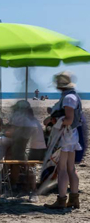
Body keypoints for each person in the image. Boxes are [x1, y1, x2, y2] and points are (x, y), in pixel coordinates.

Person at [43, 71, 84, 209]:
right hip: (71, 136)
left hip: (65, 136)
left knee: (62, 169)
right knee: (71, 168)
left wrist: (52, 120)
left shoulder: (68, 98)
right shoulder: (72, 96)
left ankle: (62, 199)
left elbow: (68, 119)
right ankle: (73, 199)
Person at [3, 100, 45, 201]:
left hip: (32, 150)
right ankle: (15, 184)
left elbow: (11, 133)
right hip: (39, 149)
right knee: (13, 155)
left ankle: (14, 185)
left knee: (15, 159)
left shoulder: (21, 118)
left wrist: (3, 129)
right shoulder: (31, 119)